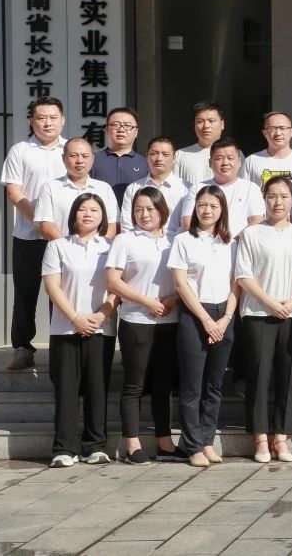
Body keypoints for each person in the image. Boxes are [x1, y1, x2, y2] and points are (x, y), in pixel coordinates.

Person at [234, 175, 292, 463]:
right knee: (259, 374)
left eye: (284, 196)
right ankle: (260, 437)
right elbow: (243, 276)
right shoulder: (252, 233)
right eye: (272, 196)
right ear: (264, 200)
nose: (278, 202)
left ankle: (281, 437)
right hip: (258, 314)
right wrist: (270, 303)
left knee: (287, 377)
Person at [105, 186, 179, 464]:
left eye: (150, 209)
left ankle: (165, 442)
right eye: (138, 209)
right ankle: (132, 444)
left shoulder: (175, 240)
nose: (144, 214)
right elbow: (113, 281)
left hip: (169, 320)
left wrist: (172, 301)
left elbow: (186, 279)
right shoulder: (124, 241)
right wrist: (146, 301)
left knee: (163, 384)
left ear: (162, 210)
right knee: (134, 384)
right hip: (136, 320)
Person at [42, 194, 117, 467]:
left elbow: (117, 287)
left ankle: (95, 446)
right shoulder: (58, 246)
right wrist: (75, 318)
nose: (88, 214)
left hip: (101, 329)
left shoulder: (111, 247)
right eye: (82, 209)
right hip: (65, 329)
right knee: (66, 390)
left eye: (94, 210)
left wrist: (101, 315)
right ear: (74, 214)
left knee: (97, 388)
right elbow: (52, 286)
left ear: (103, 216)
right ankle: (64, 448)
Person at [169, 185, 237, 468]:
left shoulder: (230, 243)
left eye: (213, 206)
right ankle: (193, 445)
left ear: (222, 210)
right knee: (192, 385)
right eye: (202, 205)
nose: (207, 211)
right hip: (195, 314)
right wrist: (207, 320)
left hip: (224, 315)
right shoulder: (183, 240)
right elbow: (180, 283)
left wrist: (225, 318)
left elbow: (237, 283)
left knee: (214, 384)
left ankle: (207, 440)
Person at [2, 95, 67, 370]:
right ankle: (22, 348)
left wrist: (56, 231)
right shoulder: (20, 151)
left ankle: (62, 348)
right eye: (41, 118)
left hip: (63, 238)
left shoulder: (72, 150)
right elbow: (14, 193)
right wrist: (40, 223)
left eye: (53, 117)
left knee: (61, 293)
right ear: (31, 121)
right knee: (25, 293)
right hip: (28, 236)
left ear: (62, 120)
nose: (47, 123)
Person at [34, 138, 119, 240]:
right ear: (63, 158)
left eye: (85, 156)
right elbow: (45, 225)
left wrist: (98, 247)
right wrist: (67, 247)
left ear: (92, 159)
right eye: (74, 156)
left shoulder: (104, 188)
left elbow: (112, 224)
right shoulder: (50, 187)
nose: (80, 161)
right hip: (60, 248)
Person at [181, 139, 264, 236]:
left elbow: (257, 221)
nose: (225, 163)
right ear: (210, 162)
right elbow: (187, 222)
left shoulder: (251, 188)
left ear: (239, 162)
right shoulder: (197, 188)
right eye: (219, 158)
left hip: (239, 243)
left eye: (230, 158)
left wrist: (233, 242)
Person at [118, 136, 188, 236]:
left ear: (174, 158)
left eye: (165, 154)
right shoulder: (134, 188)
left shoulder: (186, 188)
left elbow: (188, 225)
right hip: (140, 243)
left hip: (174, 243)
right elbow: (127, 225)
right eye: (154, 153)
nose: (159, 159)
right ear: (147, 156)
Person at [91, 106, 147, 207]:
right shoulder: (92, 160)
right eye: (115, 125)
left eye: (127, 125)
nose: (121, 129)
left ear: (136, 132)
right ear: (106, 129)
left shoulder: (146, 163)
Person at [241, 111, 292, 185]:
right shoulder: (251, 161)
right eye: (272, 129)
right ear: (264, 133)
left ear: (291, 132)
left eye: (282, 128)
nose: (278, 133)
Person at [174, 101, 228, 187]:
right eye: (200, 121)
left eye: (211, 121)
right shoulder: (180, 155)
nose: (206, 126)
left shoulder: (234, 154)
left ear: (222, 124)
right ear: (194, 126)